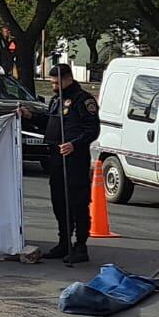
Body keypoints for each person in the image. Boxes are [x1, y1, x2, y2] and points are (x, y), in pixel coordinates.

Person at [30, 63, 100, 265]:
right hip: (56, 159)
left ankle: (80, 246)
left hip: (75, 159)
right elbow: (49, 122)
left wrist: (74, 144)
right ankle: (64, 242)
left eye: (56, 82)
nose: (53, 85)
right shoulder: (56, 100)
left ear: (68, 79)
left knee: (77, 202)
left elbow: (92, 130)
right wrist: (31, 116)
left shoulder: (83, 100)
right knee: (59, 202)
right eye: (51, 83)